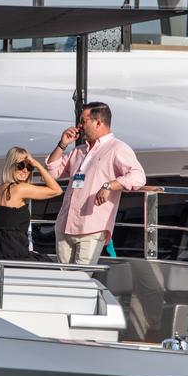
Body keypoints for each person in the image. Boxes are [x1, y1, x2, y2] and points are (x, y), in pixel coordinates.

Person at [46, 102, 146, 264]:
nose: (79, 126)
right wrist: (62, 144)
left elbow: (138, 177)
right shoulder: (79, 150)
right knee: (64, 282)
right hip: (64, 226)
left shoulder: (117, 148)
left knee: (82, 281)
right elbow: (52, 172)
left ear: (98, 122)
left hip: (91, 229)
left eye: (83, 121)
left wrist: (110, 185)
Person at [0, 147, 62, 261]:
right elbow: (56, 190)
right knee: (50, 266)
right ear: (11, 166)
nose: (25, 170)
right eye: (20, 165)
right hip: (12, 253)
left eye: (29, 167)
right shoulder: (20, 189)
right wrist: (37, 165)